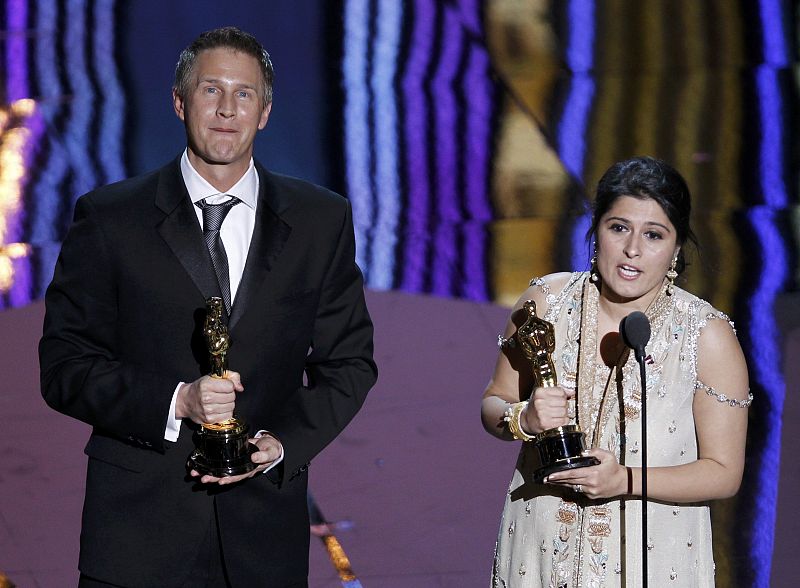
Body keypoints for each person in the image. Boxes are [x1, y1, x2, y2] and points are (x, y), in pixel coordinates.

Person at [39, 26, 377, 587]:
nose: (226, 110)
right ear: (179, 102)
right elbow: (64, 366)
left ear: (265, 112)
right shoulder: (111, 218)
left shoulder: (321, 219)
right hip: (136, 534)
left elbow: (350, 362)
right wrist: (176, 402)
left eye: (244, 94)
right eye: (210, 90)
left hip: (264, 532)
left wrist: (284, 442)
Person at [481, 157, 751, 587]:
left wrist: (623, 480)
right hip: (539, 551)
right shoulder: (546, 304)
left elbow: (723, 471)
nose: (633, 250)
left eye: (654, 235)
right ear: (597, 231)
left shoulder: (706, 335)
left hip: (650, 560)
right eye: (619, 227)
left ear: (677, 247)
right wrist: (523, 418)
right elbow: (494, 401)